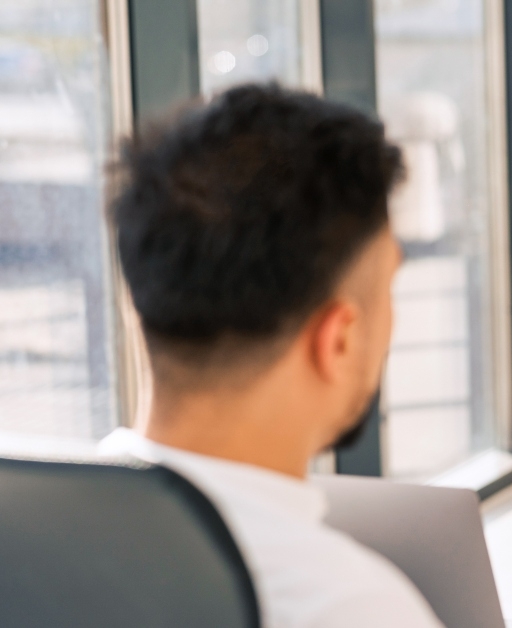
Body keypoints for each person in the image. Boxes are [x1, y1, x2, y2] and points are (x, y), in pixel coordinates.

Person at [99, 84, 443, 628]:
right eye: (389, 286)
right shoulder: (344, 605)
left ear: (134, 307)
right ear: (337, 340)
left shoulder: (26, 540)